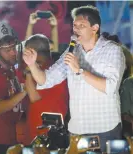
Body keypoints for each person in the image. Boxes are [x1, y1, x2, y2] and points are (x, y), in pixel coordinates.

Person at [23, 5, 126, 152]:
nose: (76, 30)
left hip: (104, 130)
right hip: (78, 130)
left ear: (95, 28)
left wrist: (79, 70)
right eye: (74, 26)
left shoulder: (112, 51)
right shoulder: (72, 51)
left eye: (82, 26)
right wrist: (32, 65)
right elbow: (46, 80)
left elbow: (110, 87)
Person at [0, 23, 28, 154]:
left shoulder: (9, 69)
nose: (13, 53)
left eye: (14, 47)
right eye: (7, 50)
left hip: (11, 138)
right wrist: (24, 92)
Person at [23, 34, 69, 145]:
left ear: (32, 52)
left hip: (43, 135)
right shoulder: (57, 68)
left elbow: (34, 97)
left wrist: (28, 72)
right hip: (53, 132)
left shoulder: (42, 71)